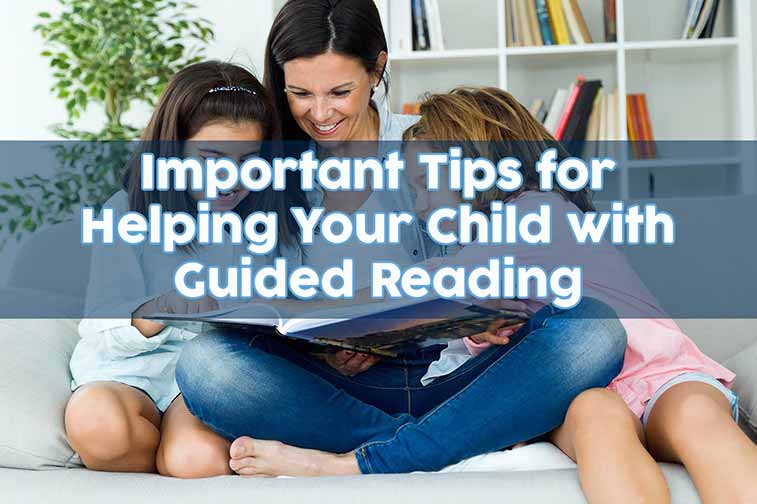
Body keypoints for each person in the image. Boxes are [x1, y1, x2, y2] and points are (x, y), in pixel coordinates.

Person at [175, 2, 628, 476]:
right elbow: (265, 306)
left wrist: (482, 315)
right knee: (206, 366)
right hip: (343, 391)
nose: (320, 113)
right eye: (300, 93)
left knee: (593, 329)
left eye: (340, 91)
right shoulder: (264, 173)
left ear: (377, 69)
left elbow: (505, 256)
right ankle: (438, 442)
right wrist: (323, 340)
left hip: (461, 373)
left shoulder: (429, 147)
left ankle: (380, 455)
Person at [402, 87, 757, 503]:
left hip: (658, 374)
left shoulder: (536, 212)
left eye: (427, 185)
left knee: (695, 415)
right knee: (596, 417)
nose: (421, 207)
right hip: (579, 396)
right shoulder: (483, 258)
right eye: (415, 192)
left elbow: (426, 286)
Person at [64, 61, 304, 478]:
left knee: (198, 462)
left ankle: (172, 449)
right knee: (99, 428)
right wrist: (158, 311)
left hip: (202, 374)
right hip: (125, 370)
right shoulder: (124, 213)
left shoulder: (274, 220)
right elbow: (100, 324)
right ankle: (154, 449)